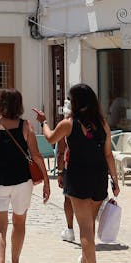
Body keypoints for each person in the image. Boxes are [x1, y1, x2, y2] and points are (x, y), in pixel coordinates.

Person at [33, 84, 120, 263]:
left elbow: (50, 137)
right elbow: (108, 154)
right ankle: (84, 261)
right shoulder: (102, 124)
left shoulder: (69, 123)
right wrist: (115, 181)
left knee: (85, 229)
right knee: (90, 224)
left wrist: (43, 121)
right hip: (98, 178)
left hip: (78, 177)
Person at [0, 88, 51, 263]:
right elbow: (36, 155)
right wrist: (46, 181)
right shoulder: (26, 126)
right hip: (22, 182)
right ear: (19, 105)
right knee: (19, 222)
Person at [55, 99, 75, 243]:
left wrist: (60, 172)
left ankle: (70, 229)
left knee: (68, 198)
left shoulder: (66, 125)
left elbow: (61, 151)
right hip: (90, 167)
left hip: (71, 166)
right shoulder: (91, 124)